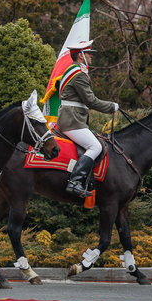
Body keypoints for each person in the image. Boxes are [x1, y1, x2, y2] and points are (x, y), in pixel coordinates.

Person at [57, 40, 118, 198]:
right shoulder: (79, 76)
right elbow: (91, 101)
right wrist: (112, 107)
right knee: (95, 147)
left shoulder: (73, 71)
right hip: (72, 120)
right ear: (81, 56)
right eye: (89, 53)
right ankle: (75, 181)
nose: (91, 56)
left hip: (72, 118)